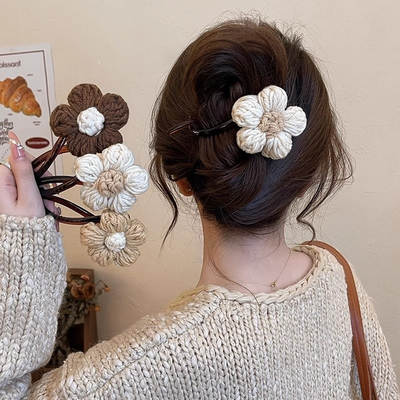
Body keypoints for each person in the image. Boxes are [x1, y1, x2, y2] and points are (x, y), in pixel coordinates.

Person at [0, 17, 398, 400]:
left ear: (180, 177)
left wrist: (23, 253)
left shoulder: (141, 370)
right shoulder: (339, 280)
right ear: (307, 175)